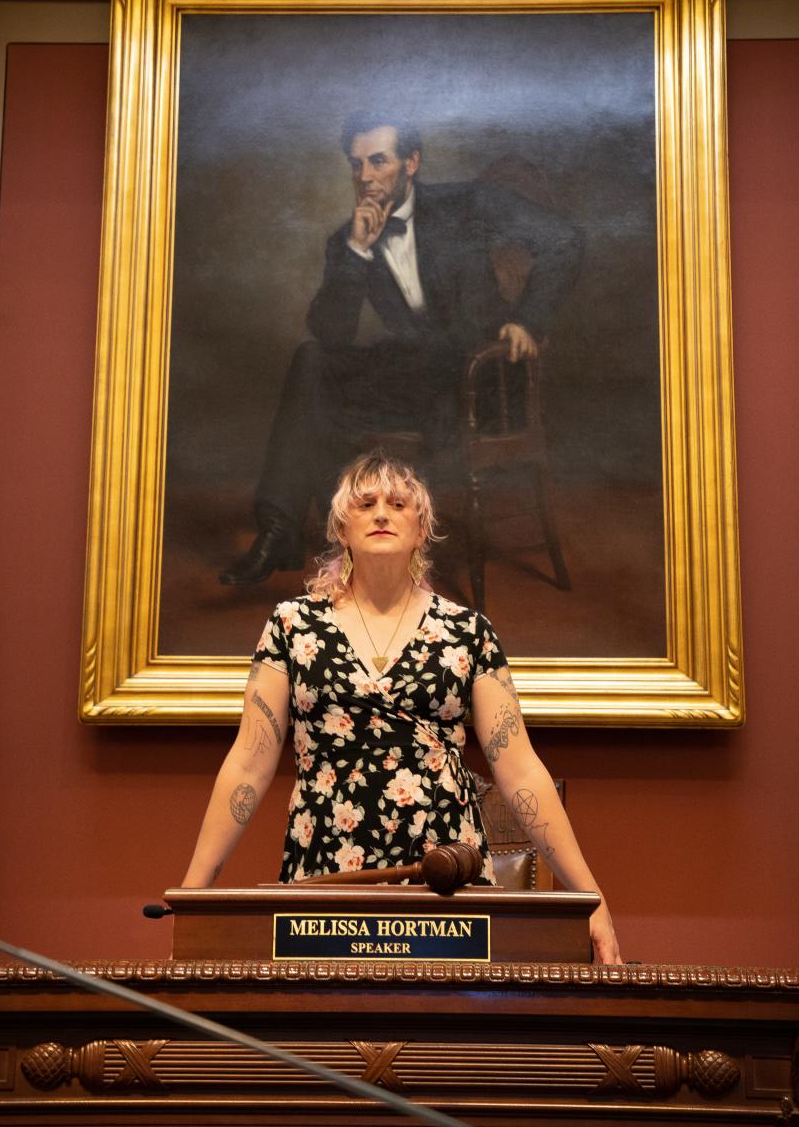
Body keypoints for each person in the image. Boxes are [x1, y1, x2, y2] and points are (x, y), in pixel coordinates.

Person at [187, 451, 621, 964]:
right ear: (341, 528)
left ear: (422, 529)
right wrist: (195, 893)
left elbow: (519, 766)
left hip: (443, 872)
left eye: (398, 503)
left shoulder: (468, 633)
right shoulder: (291, 624)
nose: (381, 514)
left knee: (447, 1035)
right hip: (328, 865)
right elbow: (248, 762)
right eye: (365, 503)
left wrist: (590, 899)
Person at [220, 111, 583, 586]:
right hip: (418, 378)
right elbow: (331, 333)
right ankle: (279, 529)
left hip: (484, 378)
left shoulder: (468, 204)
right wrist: (356, 252)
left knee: (340, 390)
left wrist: (528, 321)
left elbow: (564, 241)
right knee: (312, 361)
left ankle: (362, 542)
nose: (364, 177)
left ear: (411, 162)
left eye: (377, 161)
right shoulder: (347, 240)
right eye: (355, 165)